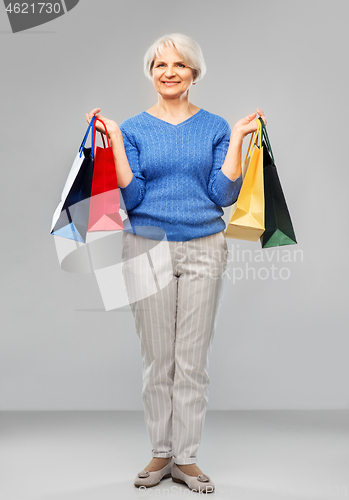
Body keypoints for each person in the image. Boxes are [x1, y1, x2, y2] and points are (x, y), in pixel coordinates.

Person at [86, 33, 267, 494]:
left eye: (179, 65)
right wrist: (115, 142)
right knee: (157, 360)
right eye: (160, 65)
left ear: (194, 73)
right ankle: (160, 452)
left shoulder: (215, 126)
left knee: (192, 361)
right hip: (145, 245)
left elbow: (222, 195)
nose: (169, 72)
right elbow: (134, 196)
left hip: (205, 244)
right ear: (151, 73)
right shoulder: (133, 127)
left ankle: (186, 458)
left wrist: (241, 140)